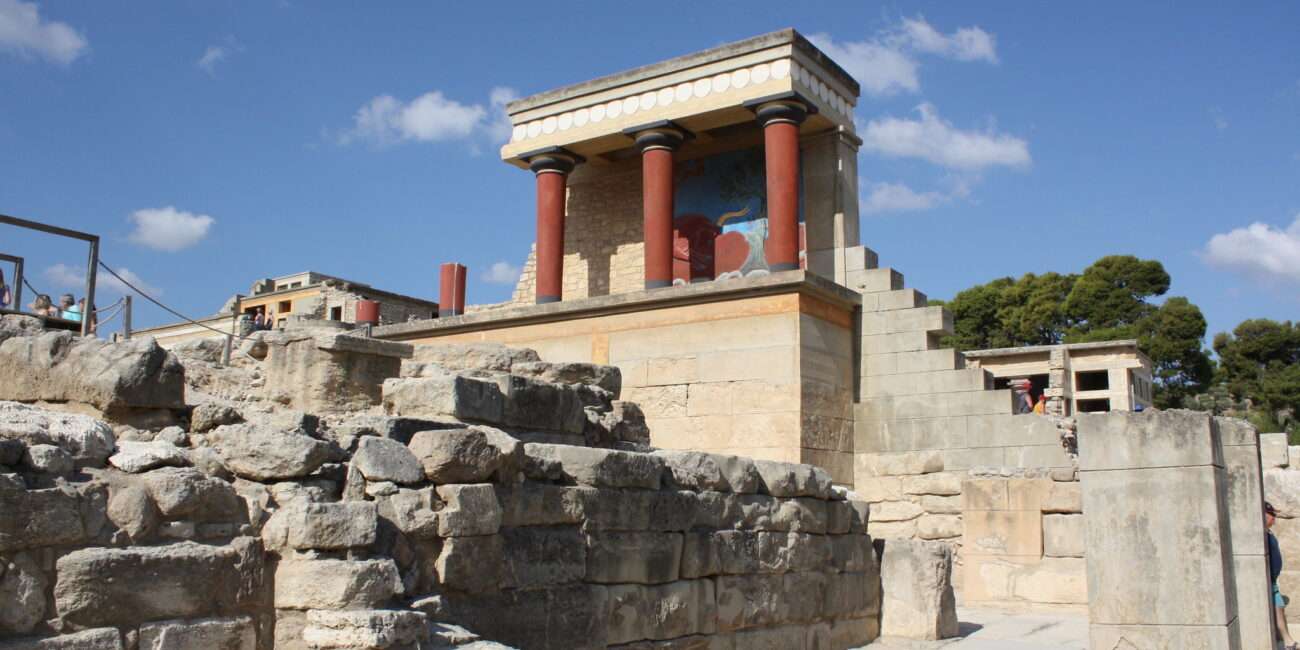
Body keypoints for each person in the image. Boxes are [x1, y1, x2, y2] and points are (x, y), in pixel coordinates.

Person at [1267, 501, 1298, 649]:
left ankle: (1286, 640)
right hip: (1268, 581)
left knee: (1279, 608)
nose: (1274, 520)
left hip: (1272, 580)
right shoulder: (1261, 533)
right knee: (1278, 608)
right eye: (1272, 516)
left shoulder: (1268, 531)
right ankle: (1288, 641)